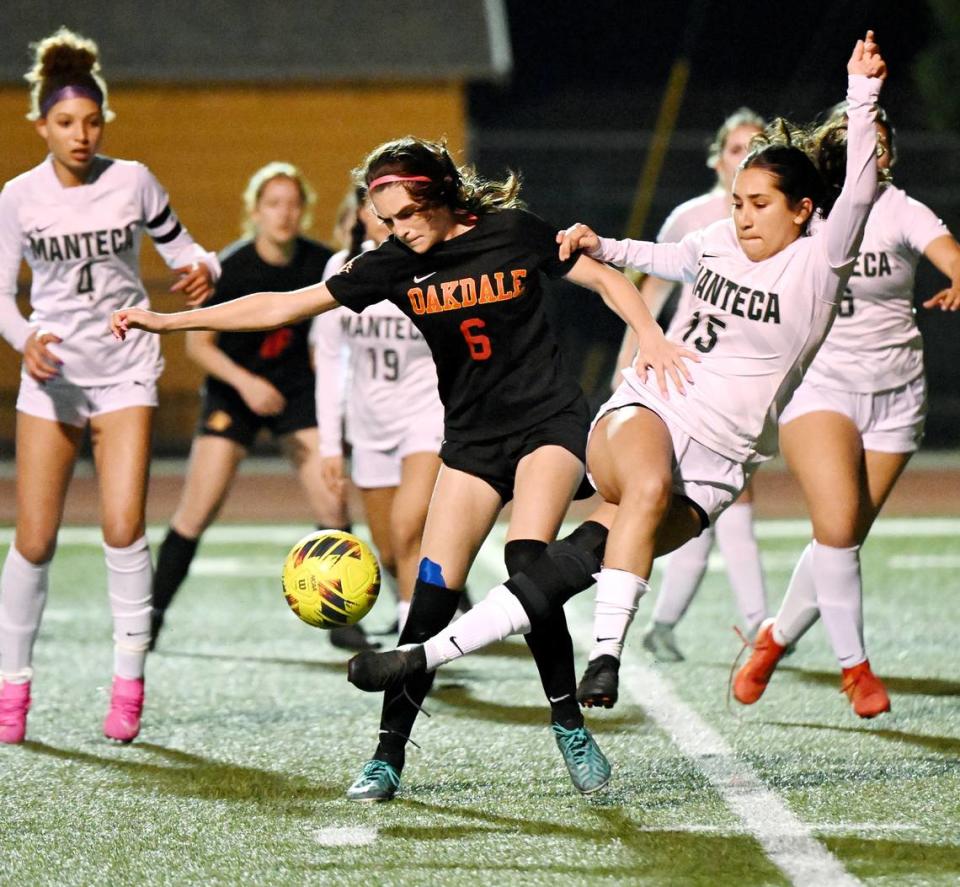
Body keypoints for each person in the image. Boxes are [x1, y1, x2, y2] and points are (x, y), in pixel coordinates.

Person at [110, 136, 693, 799]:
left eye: (406, 215)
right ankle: (387, 756)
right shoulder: (392, 262)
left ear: (439, 194)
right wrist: (168, 321)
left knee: (528, 560)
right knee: (429, 598)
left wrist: (649, 333)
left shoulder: (512, 231)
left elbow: (604, 277)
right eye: (386, 220)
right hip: (473, 441)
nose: (396, 230)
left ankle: (567, 723)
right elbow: (283, 305)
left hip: (548, 424)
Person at [345, 33, 886, 734]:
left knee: (559, 572)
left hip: (718, 463)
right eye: (737, 200)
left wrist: (862, 97)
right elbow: (663, 254)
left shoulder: (820, 264)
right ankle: (607, 657)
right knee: (644, 486)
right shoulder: (718, 237)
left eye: (757, 202)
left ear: (804, 211)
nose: (741, 213)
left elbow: (865, 185)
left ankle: (419, 657)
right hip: (651, 409)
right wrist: (604, 246)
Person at [0, 28, 219, 744]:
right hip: (55, 382)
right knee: (33, 540)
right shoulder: (18, 197)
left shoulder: (134, 179)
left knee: (123, 528)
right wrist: (23, 337)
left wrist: (204, 269)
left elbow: (185, 250)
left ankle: (128, 681)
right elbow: (2, 296)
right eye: (66, 123)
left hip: (126, 372)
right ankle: (12, 690)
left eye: (92, 121)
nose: (82, 134)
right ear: (41, 125)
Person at [732, 103, 960, 718]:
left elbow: (949, 252)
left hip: (896, 394)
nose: (875, 155)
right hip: (821, 387)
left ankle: (773, 638)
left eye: (883, 145)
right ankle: (856, 669)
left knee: (842, 536)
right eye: (865, 141)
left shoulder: (900, 208)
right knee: (836, 529)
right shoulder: (811, 211)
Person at [148, 162, 368, 652]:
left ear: (305, 211)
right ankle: (152, 613)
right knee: (196, 510)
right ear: (254, 211)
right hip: (236, 395)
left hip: (295, 395)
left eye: (293, 204)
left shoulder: (321, 262)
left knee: (332, 501)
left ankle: (341, 617)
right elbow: (199, 346)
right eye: (274, 203)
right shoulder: (233, 266)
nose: (284, 214)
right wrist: (246, 384)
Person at [611, 108, 769, 662]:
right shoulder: (694, 217)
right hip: (682, 376)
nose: (743, 158)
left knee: (715, 505)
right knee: (688, 503)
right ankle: (752, 625)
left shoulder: (785, 225)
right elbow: (650, 293)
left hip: (738, 386)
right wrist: (630, 363)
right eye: (735, 148)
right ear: (718, 157)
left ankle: (723, 624)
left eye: (756, 148)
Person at [313, 189, 443, 635]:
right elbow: (328, 359)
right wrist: (330, 445)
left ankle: (416, 652)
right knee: (388, 550)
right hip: (369, 423)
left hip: (426, 414)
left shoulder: (432, 264)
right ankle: (435, 610)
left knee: (411, 528)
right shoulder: (343, 268)